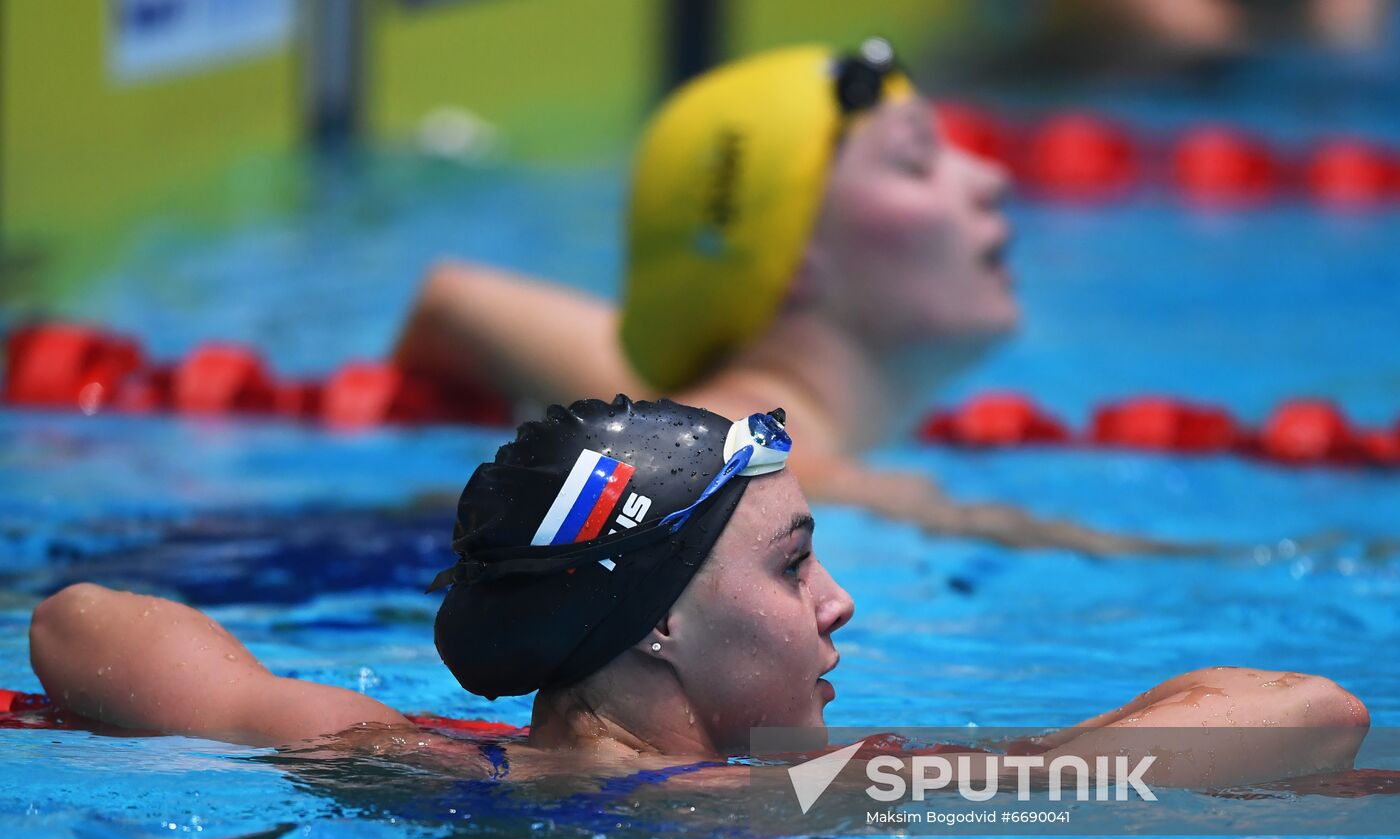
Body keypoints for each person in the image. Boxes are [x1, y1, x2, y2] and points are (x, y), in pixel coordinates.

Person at [28, 397, 1368, 788]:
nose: (840, 603)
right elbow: (1313, 715)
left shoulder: (403, 758)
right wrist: (1046, 760)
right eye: (793, 565)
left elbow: (75, 623)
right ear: (657, 621)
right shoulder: (773, 802)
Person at [392, 41, 1172, 556]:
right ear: (790, 260)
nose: (991, 178)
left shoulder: (697, 433)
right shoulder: (794, 488)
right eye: (915, 162)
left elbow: (452, 300)